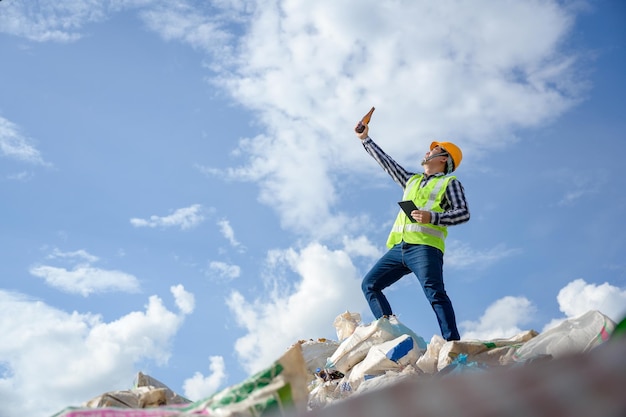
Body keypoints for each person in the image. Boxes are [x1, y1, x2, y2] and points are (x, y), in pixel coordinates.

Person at [355, 122, 470, 341]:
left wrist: (432, 217)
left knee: (434, 292)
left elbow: (463, 213)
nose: (427, 152)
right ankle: (393, 335)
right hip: (400, 248)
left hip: (425, 248)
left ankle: (452, 342)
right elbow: (388, 164)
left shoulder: (449, 182)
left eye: (433, 151)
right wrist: (365, 139)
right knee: (370, 284)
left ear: (444, 159)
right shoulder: (412, 180)